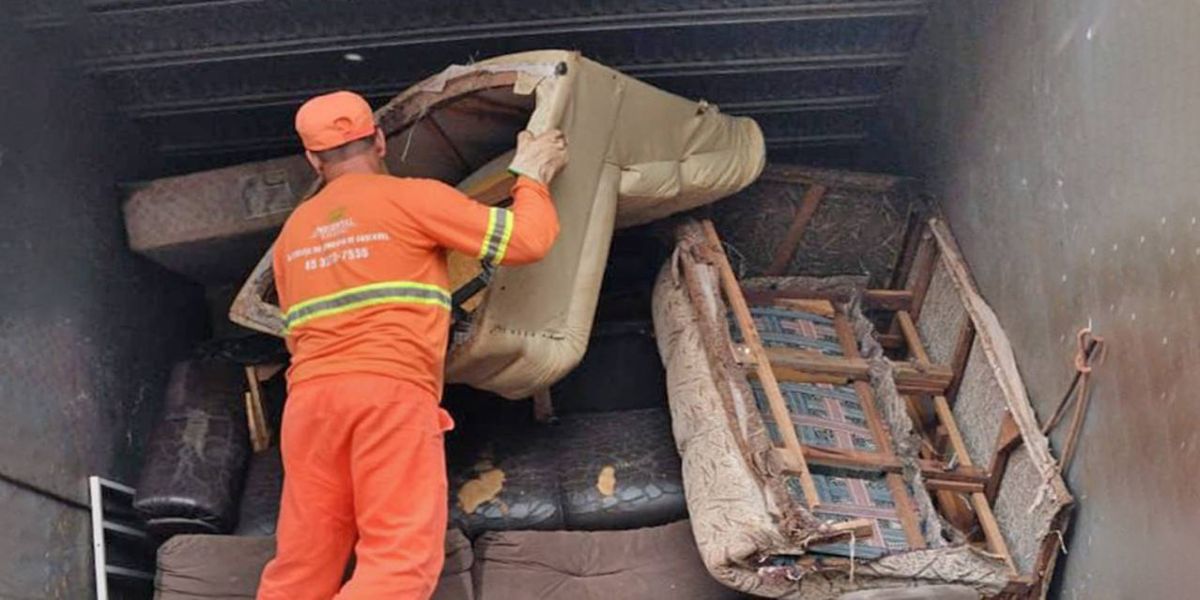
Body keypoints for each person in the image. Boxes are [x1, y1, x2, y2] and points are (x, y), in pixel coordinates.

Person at [257, 90, 566, 599]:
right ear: (379, 141)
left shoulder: (295, 232)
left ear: (312, 159)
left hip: (310, 405)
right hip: (388, 394)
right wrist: (532, 174)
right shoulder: (412, 197)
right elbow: (527, 241)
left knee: (302, 565)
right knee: (399, 565)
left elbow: (293, 324)